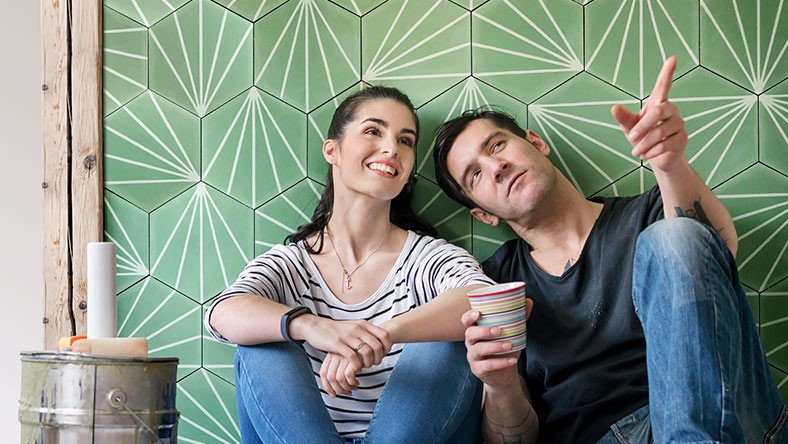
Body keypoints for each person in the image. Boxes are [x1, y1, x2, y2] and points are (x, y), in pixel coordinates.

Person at [431, 56, 787, 443]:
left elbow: (718, 255)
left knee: (673, 236)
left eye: (497, 144)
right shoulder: (494, 283)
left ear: (536, 142)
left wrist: (669, 164)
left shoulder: (653, 211)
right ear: (483, 215)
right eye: (476, 174)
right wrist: (499, 386)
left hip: (721, 416)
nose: (496, 165)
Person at [205, 86, 496, 444]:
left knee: (451, 336)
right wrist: (312, 327)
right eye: (374, 131)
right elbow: (222, 313)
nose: (392, 148)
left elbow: (483, 300)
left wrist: (382, 334)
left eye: (405, 141)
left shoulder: (427, 259)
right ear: (333, 150)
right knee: (261, 345)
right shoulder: (291, 264)